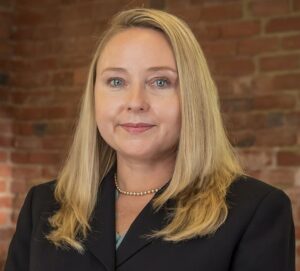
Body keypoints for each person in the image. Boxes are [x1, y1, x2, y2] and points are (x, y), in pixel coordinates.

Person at [4, 7, 295, 271]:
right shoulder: (42, 205)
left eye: (160, 82)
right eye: (116, 81)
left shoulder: (256, 211)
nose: (135, 102)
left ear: (192, 97)